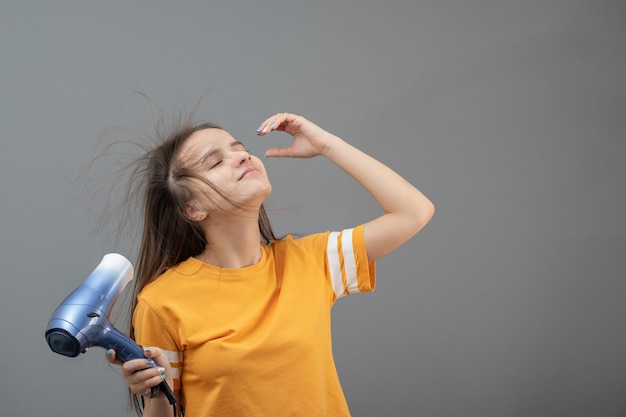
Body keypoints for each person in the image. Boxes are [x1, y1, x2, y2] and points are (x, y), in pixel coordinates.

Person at [105, 112, 434, 416]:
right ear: (192, 208)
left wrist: (327, 145)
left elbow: (414, 212)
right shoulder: (162, 302)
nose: (242, 156)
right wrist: (156, 394)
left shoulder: (309, 261)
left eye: (240, 148)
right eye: (216, 161)